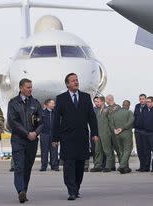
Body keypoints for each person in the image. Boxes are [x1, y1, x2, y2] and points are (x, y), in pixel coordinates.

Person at [52, 73, 98, 201]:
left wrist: (94, 133)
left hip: (82, 137)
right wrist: (55, 138)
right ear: (67, 84)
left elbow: (91, 117)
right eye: (73, 81)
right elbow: (56, 120)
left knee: (79, 165)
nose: (76, 82)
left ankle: (76, 188)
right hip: (67, 137)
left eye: (77, 80)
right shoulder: (61, 98)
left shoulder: (85, 97)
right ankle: (71, 190)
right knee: (68, 165)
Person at [7, 78, 44, 203]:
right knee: (19, 167)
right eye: (28, 87)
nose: (30, 89)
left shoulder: (35, 103)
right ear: (21, 88)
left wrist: (35, 133)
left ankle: (24, 191)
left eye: (31, 87)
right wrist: (26, 133)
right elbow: (13, 122)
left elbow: (42, 122)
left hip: (32, 141)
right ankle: (20, 191)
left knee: (27, 168)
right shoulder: (13, 103)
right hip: (18, 140)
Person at [109, 100, 134, 174]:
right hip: (126, 134)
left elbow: (111, 123)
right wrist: (122, 128)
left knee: (121, 151)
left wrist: (114, 130)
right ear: (128, 105)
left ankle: (126, 168)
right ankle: (122, 165)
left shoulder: (115, 113)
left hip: (117, 134)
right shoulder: (129, 112)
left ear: (122, 105)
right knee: (127, 150)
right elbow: (131, 121)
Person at [90, 96, 114, 172]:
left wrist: (112, 131)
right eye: (96, 101)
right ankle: (97, 166)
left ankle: (108, 166)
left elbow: (111, 121)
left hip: (105, 133)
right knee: (97, 150)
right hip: (98, 134)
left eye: (98, 101)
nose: (97, 103)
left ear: (103, 102)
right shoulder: (98, 111)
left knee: (107, 150)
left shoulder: (108, 110)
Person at [39, 99, 59, 171]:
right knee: (44, 151)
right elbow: (38, 123)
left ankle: (55, 166)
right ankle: (43, 166)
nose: (54, 105)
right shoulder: (42, 113)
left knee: (54, 150)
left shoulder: (56, 113)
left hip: (54, 135)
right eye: (52, 103)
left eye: (54, 103)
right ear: (47, 104)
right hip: (44, 134)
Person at [104, 95, 122, 170]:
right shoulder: (106, 108)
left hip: (116, 131)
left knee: (118, 149)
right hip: (108, 132)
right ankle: (112, 166)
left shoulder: (117, 107)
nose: (105, 101)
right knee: (110, 150)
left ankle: (122, 165)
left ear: (109, 99)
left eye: (106, 100)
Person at [134, 94, 148, 171]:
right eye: (140, 99)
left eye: (143, 99)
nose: (141, 100)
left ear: (145, 99)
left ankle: (146, 166)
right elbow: (135, 116)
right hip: (137, 131)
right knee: (139, 149)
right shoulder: (137, 106)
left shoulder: (147, 107)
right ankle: (141, 166)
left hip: (145, 131)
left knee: (145, 149)